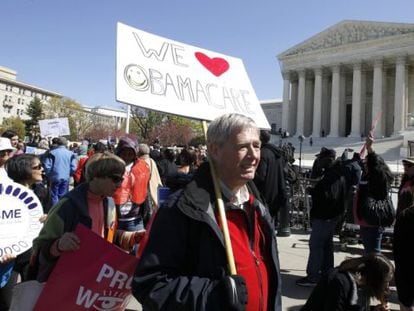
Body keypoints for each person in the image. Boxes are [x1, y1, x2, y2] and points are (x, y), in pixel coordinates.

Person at [132, 113, 282, 310]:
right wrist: (213, 295)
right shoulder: (182, 209)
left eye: (256, 145)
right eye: (243, 146)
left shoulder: (257, 207)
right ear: (215, 150)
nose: (253, 155)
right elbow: (150, 284)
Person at [31, 152, 145, 282]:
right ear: (95, 177)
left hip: (94, 279)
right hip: (66, 282)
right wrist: (58, 245)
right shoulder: (67, 206)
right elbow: (39, 248)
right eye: (115, 179)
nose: (119, 184)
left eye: (121, 179)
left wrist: (132, 238)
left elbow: (106, 239)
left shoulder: (110, 203)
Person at [301, 253, 394, 311]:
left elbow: (350, 307)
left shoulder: (361, 281)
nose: (387, 285)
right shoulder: (340, 282)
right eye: (386, 281)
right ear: (374, 278)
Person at [354, 135, 393, 254]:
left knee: (374, 252)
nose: (365, 165)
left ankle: (378, 272)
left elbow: (376, 168)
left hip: (374, 218)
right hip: (365, 218)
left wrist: (369, 149)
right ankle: (372, 271)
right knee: (368, 251)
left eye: (367, 163)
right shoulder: (367, 176)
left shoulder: (379, 177)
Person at [113, 137, 150, 236]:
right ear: (119, 152)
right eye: (124, 153)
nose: (127, 156)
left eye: (130, 153)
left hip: (135, 219)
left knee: (138, 248)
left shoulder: (143, 167)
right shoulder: (112, 167)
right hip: (114, 218)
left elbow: (146, 191)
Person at [253, 130, 287, 229]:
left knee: (263, 226)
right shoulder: (277, 154)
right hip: (276, 194)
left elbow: (260, 176)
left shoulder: (263, 153)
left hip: (264, 196)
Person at [393, 156, 414, 311]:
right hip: (401, 228)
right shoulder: (405, 182)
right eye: (404, 164)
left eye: (409, 165)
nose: (406, 167)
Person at [43, 137, 78, 205]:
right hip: (66, 177)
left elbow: (47, 166)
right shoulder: (71, 154)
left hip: (54, 176)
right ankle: (61, 210)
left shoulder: (52, 153)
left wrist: (49, 174)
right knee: (63, 195)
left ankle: (55, 210)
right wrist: (69, 173)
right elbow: (74, 167)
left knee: (54, 195)